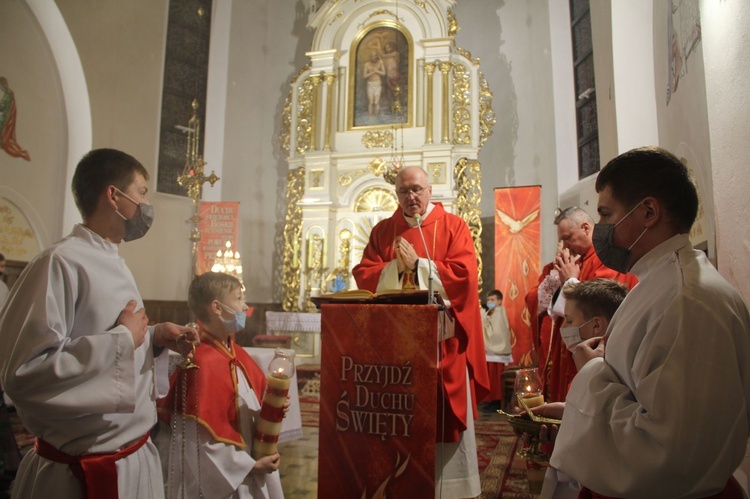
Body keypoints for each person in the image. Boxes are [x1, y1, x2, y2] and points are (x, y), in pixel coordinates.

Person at [549, 146, 750, 497]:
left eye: (608, 215)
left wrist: (593, 373)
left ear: (648, 212)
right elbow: (643, 394)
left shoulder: (687, 301)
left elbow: (667, 451)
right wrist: (575, 414)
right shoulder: (661, 282)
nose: (602, 230)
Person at [0, 148, 199, 498]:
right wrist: (123, 339)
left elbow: (105, 337)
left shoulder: (110, 258)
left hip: (132, 456)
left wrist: (154, 337)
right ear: (113, 195)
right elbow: (24, 373)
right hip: (81, 472)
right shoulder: (59, 263)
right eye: (141, 193)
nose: (145, 206)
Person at [352, 165, 490, 499]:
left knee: (442, 416)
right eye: (403, 191)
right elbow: (364, 273)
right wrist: (394, 268)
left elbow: (464, 277)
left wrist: (418, 265)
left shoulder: (453, 226)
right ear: (396, 194)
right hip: (397, 349)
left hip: (442, 344)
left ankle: (451, 489)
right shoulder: (385, 231)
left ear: (430, 190)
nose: (410, 197)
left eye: (416, 189)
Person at [158, 272, 284, 498]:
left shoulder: (239, 356)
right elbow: (195, 442)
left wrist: (271, 412)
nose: (244, 306)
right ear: (217, 307)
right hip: (228, 480)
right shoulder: (200, 365)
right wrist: (249, 466)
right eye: (238, 299)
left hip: (254, 465)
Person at [537, 278, 627, 499]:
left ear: (597, 325)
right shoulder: (592, 361)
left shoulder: (616, 364)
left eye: (568, 320)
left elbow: (614, 428)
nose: (563, 327)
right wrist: (566, 415)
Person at [542, 207, 637, 403]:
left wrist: (569, 281)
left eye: (568, 238)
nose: (565, 245)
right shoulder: (581, 260)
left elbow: (602, 304)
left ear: (585, 228)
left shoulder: (606, 258)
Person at [480, 290, 513, 410]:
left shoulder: (499, 312)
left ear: (499, 301)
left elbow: (496, 333)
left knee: (495, 378)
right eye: (488, 300)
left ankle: (496, 401)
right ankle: (489, 400)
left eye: (492, 300)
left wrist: (483, 319)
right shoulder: (491, 312)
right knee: (489, 377)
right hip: (490, 351)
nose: (490, 302)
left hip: (497, 350)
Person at [362, 50, 385, 116]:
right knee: (371, 102)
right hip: (370, 84)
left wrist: (377, 71)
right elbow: (364, 75)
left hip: (377, 83)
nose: (373, 57)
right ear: (370, 57)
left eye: (374, 55)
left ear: (376, 56)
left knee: (376, 102)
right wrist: (372, 72)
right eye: (372, 56)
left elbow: (383, 73)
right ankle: (370, 116)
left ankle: (376, 116)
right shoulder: (367, 64)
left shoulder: (380, 62)